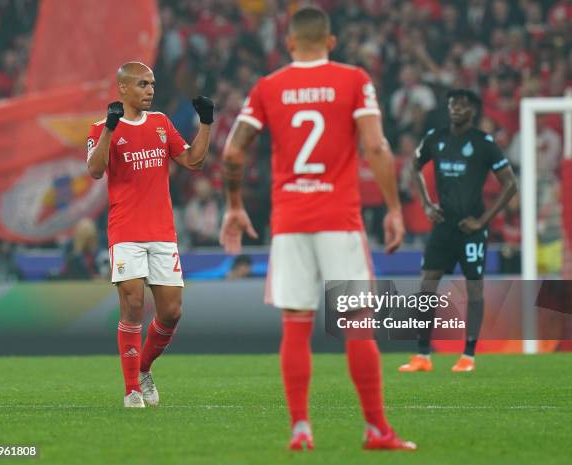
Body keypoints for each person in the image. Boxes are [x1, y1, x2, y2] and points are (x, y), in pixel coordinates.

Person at [220, 6, 415, 451]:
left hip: (289, 222)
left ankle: (300, 428)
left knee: (295, 324)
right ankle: (377, 429)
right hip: (339, 219)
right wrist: (393, 209)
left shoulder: (269, 86)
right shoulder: (353, 80)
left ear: (290, 44)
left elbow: (233, 153)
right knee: (358, 325)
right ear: (330, 42)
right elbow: (376, 146)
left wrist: (234, 206)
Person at [87, 62, 214, 408]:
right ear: (123, 89)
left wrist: (205, 123)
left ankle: (142, 368)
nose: (150, 89)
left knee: (172, 312)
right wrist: (110, 131)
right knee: (132, 305)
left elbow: (193, 162)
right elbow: (95, 171)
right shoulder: (101, 127)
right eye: (143, 84)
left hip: (162, 233)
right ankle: (131, 390)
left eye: (152, 84)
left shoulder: (161, 123)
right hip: (125, 231)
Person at [398, 89, 517, 373]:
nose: (456, 108)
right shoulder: (435, 138)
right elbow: (414, 167)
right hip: (443, 225)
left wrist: (483, 220)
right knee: (427, 284)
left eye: (463, 105)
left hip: (471, 228)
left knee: (474, 287)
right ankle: (422, 356)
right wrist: (426, 203)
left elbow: (510, 184)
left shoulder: (483, 143)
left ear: (473, 111)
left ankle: (468, 356)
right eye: (453, 103)